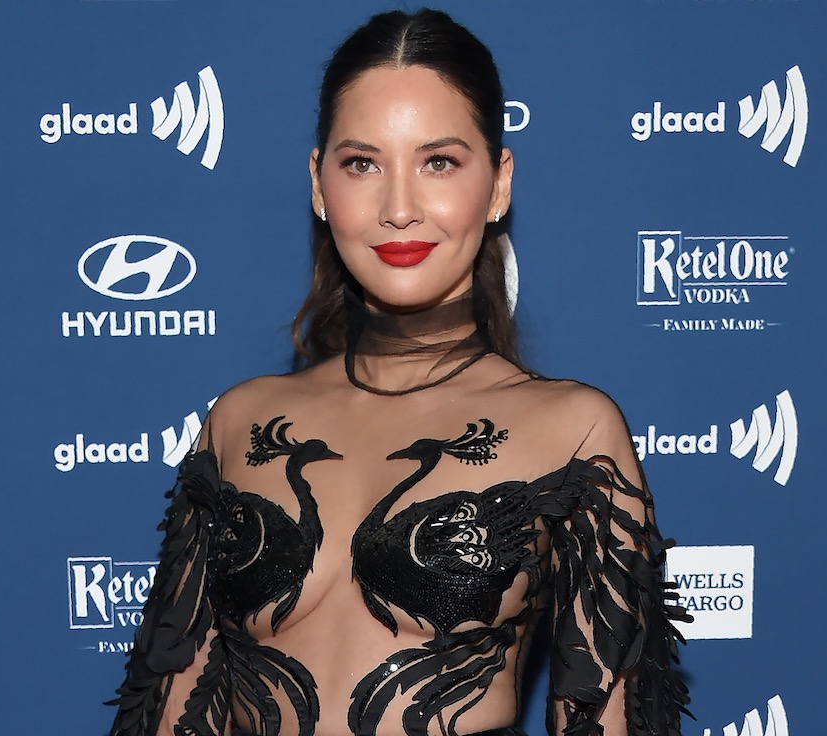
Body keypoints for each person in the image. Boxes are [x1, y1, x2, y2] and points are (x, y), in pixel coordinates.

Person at [109, 8, 690, 736]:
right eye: (363, 164)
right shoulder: (240, 421)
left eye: (438, 162)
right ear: (318, 184)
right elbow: (170, 706)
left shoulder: (572, 430)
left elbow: (609, 718)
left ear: (499, 183)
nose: (400, 208)